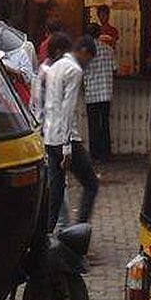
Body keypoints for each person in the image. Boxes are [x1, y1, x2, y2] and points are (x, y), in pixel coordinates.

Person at [43, 34, 100, 233]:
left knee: (56, 193)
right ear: (83, 52)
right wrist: (67, 147)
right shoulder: (74, 70)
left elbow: (48, 104)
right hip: (65, 139)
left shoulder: (54, 67)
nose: (88, 64)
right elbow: (67, 110)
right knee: (91, 184)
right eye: (89, 59)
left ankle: (47, 235)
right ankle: (79, 232)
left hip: (50, 137)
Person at [83, 24, 116, 162]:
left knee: (93, 124)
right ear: (99, 34)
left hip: (92, 93)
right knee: (105, 124)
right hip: (106, 92)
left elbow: (81, 71)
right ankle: (106, 154)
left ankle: (95, 154)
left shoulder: (85, 52)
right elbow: (115, 69)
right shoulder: (108, 50)